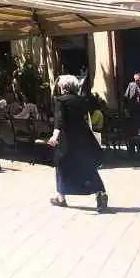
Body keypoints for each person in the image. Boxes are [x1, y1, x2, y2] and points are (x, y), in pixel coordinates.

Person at [48, 75, 108, 212]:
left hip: (67, 139)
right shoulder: (82, 100)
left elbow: (60, 121)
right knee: (88, 166)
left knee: (61, 165)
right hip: (83, 137)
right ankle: (101, 193)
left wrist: (54, 136)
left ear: (63, 87)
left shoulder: (60, 101)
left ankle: (61, 198)